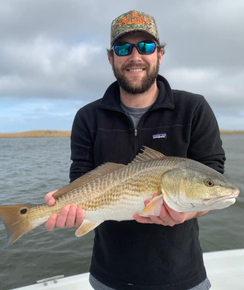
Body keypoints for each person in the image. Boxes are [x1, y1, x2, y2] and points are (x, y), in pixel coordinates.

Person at [45, 10, 225, 290]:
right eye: (123, 48)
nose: (135, 56)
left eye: (146, 46)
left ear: (160, 54)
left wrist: (187, 212)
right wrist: (66, 204)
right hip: (109, 276)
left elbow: (212, 175)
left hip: (182, 276)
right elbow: (80, 176)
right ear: (111, 57)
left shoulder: (194, 109)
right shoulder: (87, 117)